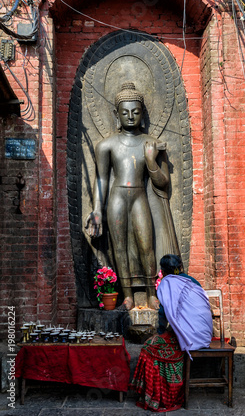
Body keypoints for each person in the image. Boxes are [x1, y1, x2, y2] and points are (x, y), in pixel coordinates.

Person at [85, 82, 178, 310]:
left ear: (142, 114)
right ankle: (126, 295)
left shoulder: (152, 143)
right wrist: (97, 210)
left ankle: (151, 293)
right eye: (124, 113)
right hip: (116, 198)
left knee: (146, 245)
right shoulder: (106, 145)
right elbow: (101, 179)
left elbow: (163, 183)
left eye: (135, 112)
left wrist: (150, 161)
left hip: (139, 197)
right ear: (116, 115)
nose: (130, 117)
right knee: (120, 248)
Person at [130, 254, 213, 412]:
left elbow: (163, 313)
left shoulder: (167, 283)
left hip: (190, 337)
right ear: (180, 267)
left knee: (149, 348)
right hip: (205, 335)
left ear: (163, 271)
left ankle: (162, 397)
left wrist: (160, 333)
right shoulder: (191, 281)